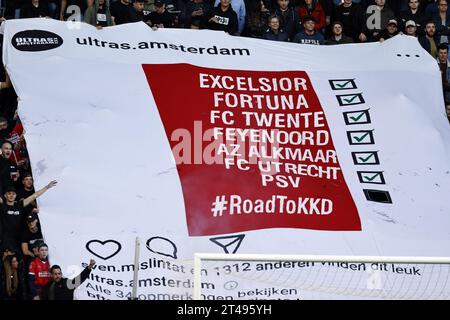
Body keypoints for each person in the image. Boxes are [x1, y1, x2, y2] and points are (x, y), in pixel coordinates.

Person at [0, 181, 57, 254]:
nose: (11, 195)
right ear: (5, 195)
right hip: (7, 237)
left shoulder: (20, 205)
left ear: (16, 195)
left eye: (13, 194)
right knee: (9, 256)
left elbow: (34, 196)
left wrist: (47, 187)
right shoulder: (2, 205)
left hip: (20, 237)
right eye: (9, 194)